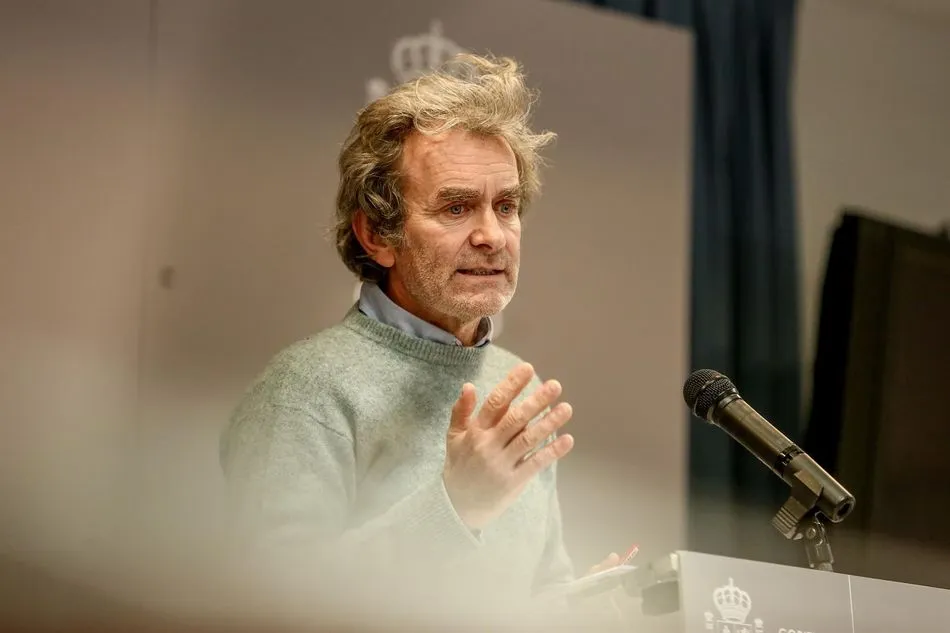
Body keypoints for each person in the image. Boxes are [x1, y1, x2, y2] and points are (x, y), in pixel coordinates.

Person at [219, 53, 619, 624]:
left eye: (506, 206)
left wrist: (580, 607)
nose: (492, 236)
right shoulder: (304, 391)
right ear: (377, 235)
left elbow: (533, 591)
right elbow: (269, 607)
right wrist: (454, 507)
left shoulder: (516, 388)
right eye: (456, 207)